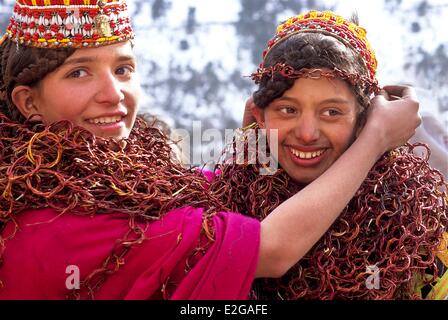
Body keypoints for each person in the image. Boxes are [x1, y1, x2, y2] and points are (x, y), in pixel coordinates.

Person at [0, 2, 420, 300]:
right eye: (79, 73)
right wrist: (375, 141)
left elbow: (203, 193)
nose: (114, 94)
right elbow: (268, 250)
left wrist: (257, 144)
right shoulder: (54, 221)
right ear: (28, 103)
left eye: (123, 68)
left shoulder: (90, 177)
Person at [210, 10, 448, 300]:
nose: (307, 133)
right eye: (288, 110)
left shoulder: (417, 229)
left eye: (331, 112)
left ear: (365, 119)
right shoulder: (214, 209)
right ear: (259, 115)